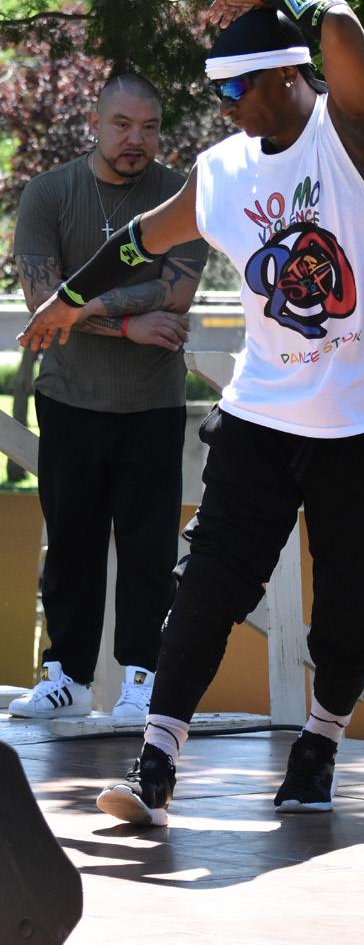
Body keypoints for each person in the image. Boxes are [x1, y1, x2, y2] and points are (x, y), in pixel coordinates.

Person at [19, 0, 364, 819]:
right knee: (205, 583)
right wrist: (66, 298)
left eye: (238, 88)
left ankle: (318, 744)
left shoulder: (354, 139)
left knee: (352, 616)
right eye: (216, 90)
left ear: (287, 73)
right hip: (263, 415)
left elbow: (341, 23)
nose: (225, 105)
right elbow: (141, 240)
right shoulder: (222, 172)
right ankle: (155, 761)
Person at [9, 72, 208, 726]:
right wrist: (127, 324)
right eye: (122, 125)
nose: (135, 140)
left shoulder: (182, 196)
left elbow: (176, 293)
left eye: (149, 127)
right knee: (71, 544)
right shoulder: (50, 192)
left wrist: (86, 304)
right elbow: (41, 301)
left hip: (152, 402)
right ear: (95, 123)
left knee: (150, 550)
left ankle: (142, 681)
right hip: (69, 397)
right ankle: (65, 678)